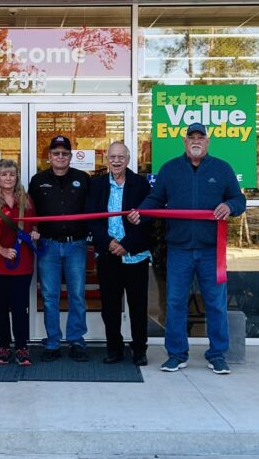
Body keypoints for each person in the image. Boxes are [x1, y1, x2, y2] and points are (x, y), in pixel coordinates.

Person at [129, 122, 246, 375]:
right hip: (179, 249)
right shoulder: (170, 169)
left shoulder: (222, 169)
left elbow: (239, 199)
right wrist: (142, 213)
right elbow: (155, 199)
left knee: (215, 304)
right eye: (191, 137)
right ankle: (176, 354)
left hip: (211, 250)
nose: (196, 141)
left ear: (207, 142)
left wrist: (230, 206)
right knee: (175, 302)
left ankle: (217, 355)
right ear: (184, 142)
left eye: (200, 137)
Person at [87, 141, 152, 365]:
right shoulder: (96, 185)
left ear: (128, 159)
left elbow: (147, 221)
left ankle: (139, 349)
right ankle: (114, 349)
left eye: (120, 157)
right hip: (108, 255)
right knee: (110, 306)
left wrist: (126, 244)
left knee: (138, 305)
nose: (116, 161)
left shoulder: (140, 184)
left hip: (135, 255)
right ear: (107, 159)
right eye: (112, 157)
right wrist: (109, 243)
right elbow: (92, 220)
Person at [28, 134, 91, 362]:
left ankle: (76, 341)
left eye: (65, 153)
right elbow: (31, 211)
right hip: (48, 246)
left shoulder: (83, 179)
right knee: (50, 296)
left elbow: (91, 209)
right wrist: (33, 227)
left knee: (76, 295)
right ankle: (53, 342)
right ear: (49, 156)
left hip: (76, 245)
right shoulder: (37, 180)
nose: (60, 157)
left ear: (70, 156)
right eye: (56, 153)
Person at [0, 158, 38, 367]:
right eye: (4, 174)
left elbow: (33, 226)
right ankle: (3, 347)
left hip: (22, 263)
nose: (8, 178)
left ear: (17, 177)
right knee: (0, 308)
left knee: (20, 308)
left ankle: (22, 348)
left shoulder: (27, 200)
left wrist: (35, 234)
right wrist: (1, 249)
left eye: (12, 174)